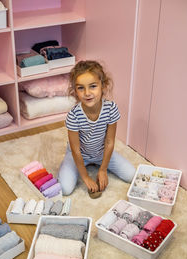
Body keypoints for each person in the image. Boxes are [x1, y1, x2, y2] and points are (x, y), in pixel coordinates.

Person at [58, 60, 135, 196]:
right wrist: (86, 177)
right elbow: (75, 150)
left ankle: (98, 164)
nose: (87, 93)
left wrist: (103, 169)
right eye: (81, 88)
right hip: (78, 155)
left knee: (132, 175)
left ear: (103, 86)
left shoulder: (111, 108)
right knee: (65, 189)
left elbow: (110, 142)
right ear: (75, 90)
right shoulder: (73, 115)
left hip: (101, 153)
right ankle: (71, 166)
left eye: (93, 86)